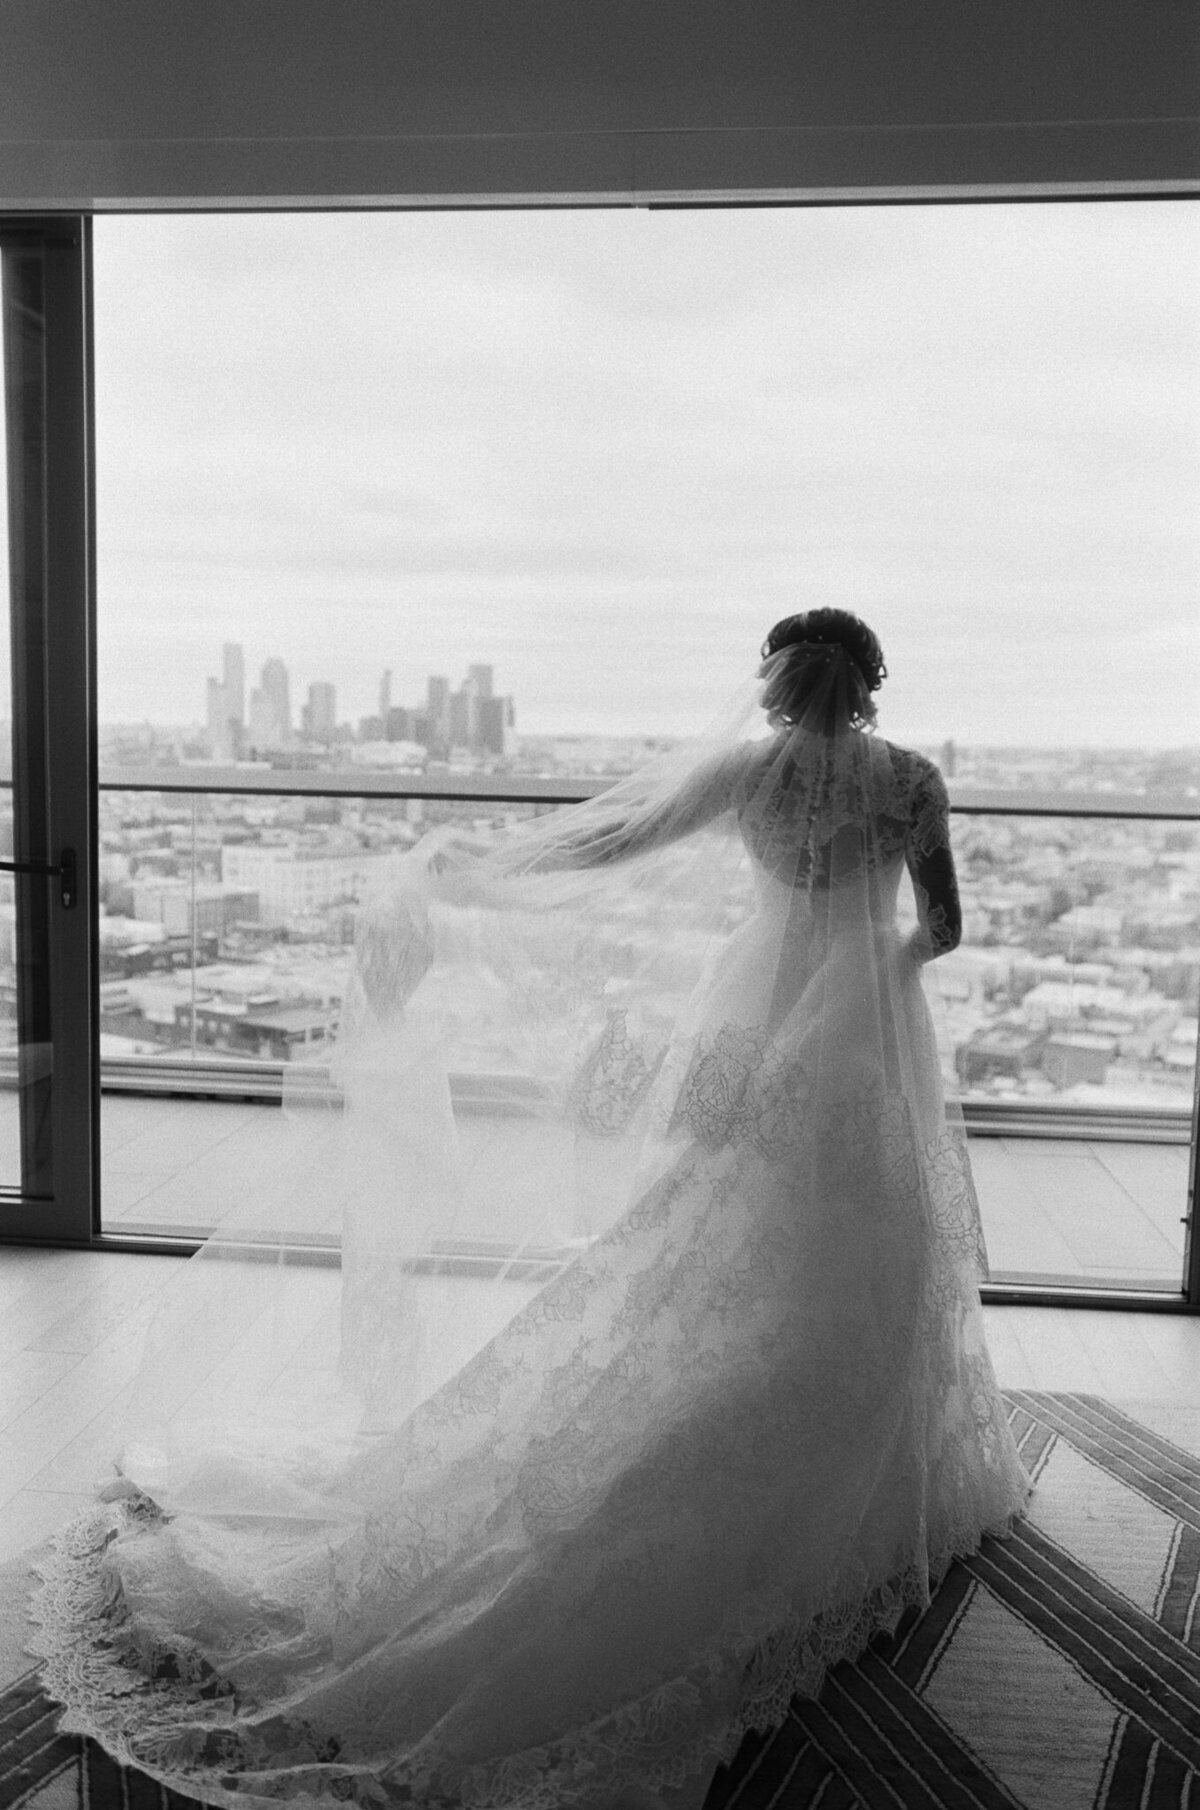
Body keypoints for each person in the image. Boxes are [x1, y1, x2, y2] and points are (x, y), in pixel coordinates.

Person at [32, 610, 1031, 1810]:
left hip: (751, 1012)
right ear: (870, 688)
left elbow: (607, 847)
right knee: (867, 1236)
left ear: (773, 688)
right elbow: (949, 930)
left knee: (709, 1229)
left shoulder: (744, 776)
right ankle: (853, 1437)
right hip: (856, 1034)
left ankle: (700, 1396)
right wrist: (873, 973)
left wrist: (472, 874)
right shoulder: (913, 781)